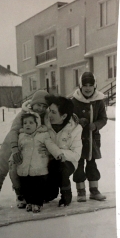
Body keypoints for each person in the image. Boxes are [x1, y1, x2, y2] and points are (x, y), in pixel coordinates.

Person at [0, 90, 50, 211]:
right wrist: (14, 148)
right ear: (33, 103)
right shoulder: (23, 114)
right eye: (39, 105)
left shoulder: (45, 118)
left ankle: (20, 194)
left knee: (19, 171)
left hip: (27, 147)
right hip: (12, 144)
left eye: (44, 106)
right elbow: (14, 131)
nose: (41, 108)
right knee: (2, 167)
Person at [10, 112, 65, 213]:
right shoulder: (21, 136)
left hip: (39, 168)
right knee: (26, 187)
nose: (28, 125)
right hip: (24, 168)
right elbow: (17, 150)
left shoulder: (43, 135)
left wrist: (58, 154)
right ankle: (29, 202)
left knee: (38, 188)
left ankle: (38, 203)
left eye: (31, 122)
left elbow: (51, 145)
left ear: (37, 124)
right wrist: (12, 159)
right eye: (25, 123)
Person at [72, 71, 107, 202]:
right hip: (77, 139)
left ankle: (94, 190)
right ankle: (80, 191)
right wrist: (78, 122)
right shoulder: (74, 101)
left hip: (93, 139)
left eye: (90, 85)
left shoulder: (99, 101)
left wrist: (96, 125)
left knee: (92, 164)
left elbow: (103, 118)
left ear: (95, 86)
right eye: (85, 85)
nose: (87, 88)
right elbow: (69, 119)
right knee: (79, 164)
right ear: (80, 86)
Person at [44, 95, 83, 206]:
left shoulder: (75, 129)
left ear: (64, 116)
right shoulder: (44, 124)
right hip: (46, 161)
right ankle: (50, 191)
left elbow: (76, 155)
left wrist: (58, 153)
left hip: (67, 163)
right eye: (49, 111)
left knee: (59, 167)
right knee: (48, 195)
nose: (49, 115)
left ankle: (66, 193)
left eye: (54, 112)